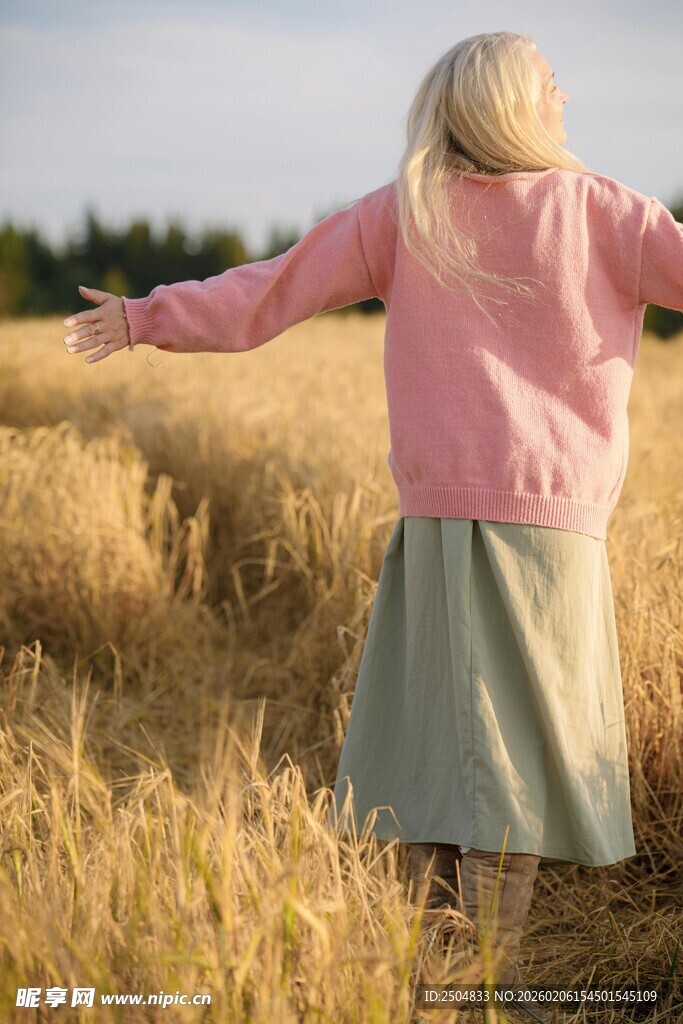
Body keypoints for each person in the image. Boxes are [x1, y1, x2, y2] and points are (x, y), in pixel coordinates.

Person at [62, 29, 683, 1017]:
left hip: (436, 527)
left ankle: (447, 975)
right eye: (552, 85)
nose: (566, 99)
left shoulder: (409, 216)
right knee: (506, 768)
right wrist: (143, 319)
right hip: (549, 541)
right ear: (512, 104)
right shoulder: (611, 216)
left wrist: (148, 316)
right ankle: (477, 982)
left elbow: (266, 292)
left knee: (449, 755)